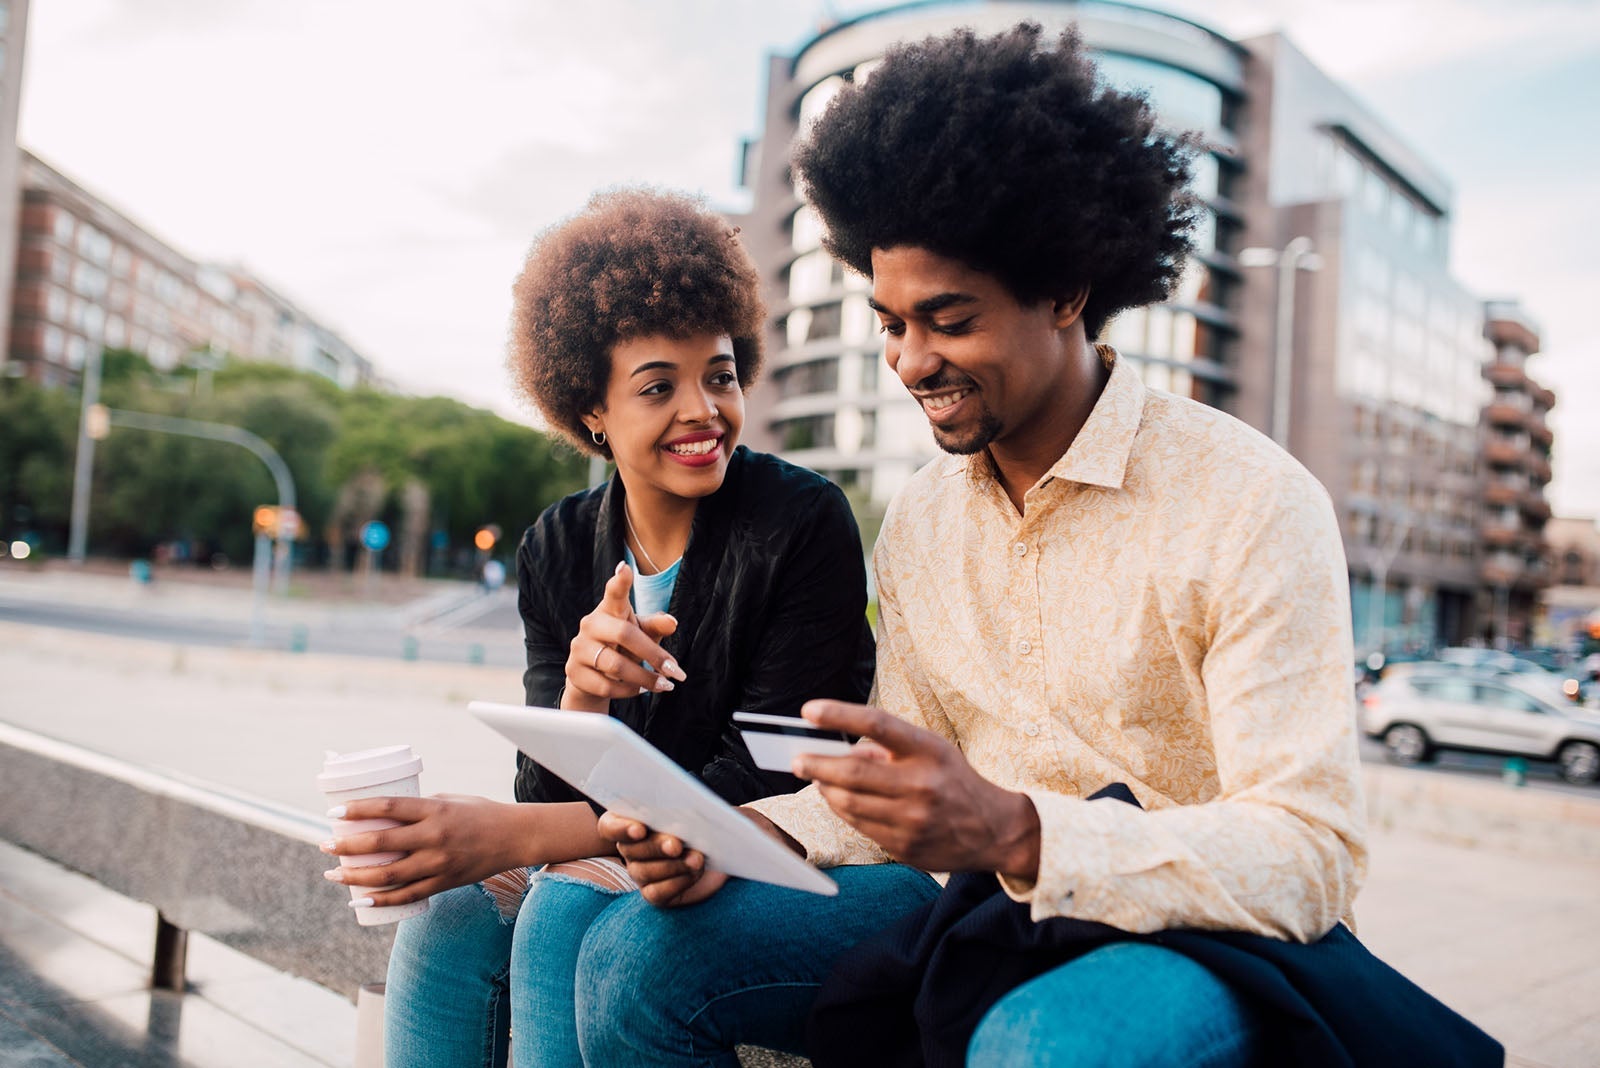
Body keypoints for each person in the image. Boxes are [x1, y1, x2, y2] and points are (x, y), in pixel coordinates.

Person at [586, 24, 1498, 1068]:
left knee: (1041, 1045)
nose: (910, 360)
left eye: (948, 319)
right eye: (889, 322)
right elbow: (890, 802)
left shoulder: (1250, 501)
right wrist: (743, 841)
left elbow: (1310, 857)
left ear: (1065, 291)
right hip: (981, 917)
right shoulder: (925, 518)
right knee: (634, 959)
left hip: (1202, 942)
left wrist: (1020, 831)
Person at [317, 188, 909, 1068]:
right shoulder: (557, 548)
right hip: (639, 848)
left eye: (720, 375)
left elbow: (774, 779)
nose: (703, 411)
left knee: (558, 913)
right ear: (591, 411)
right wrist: (582, 695)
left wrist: (518, 838)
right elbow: (541, 791)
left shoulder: (800, 521)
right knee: (451, 915)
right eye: (657, 387)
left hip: (778, 851)